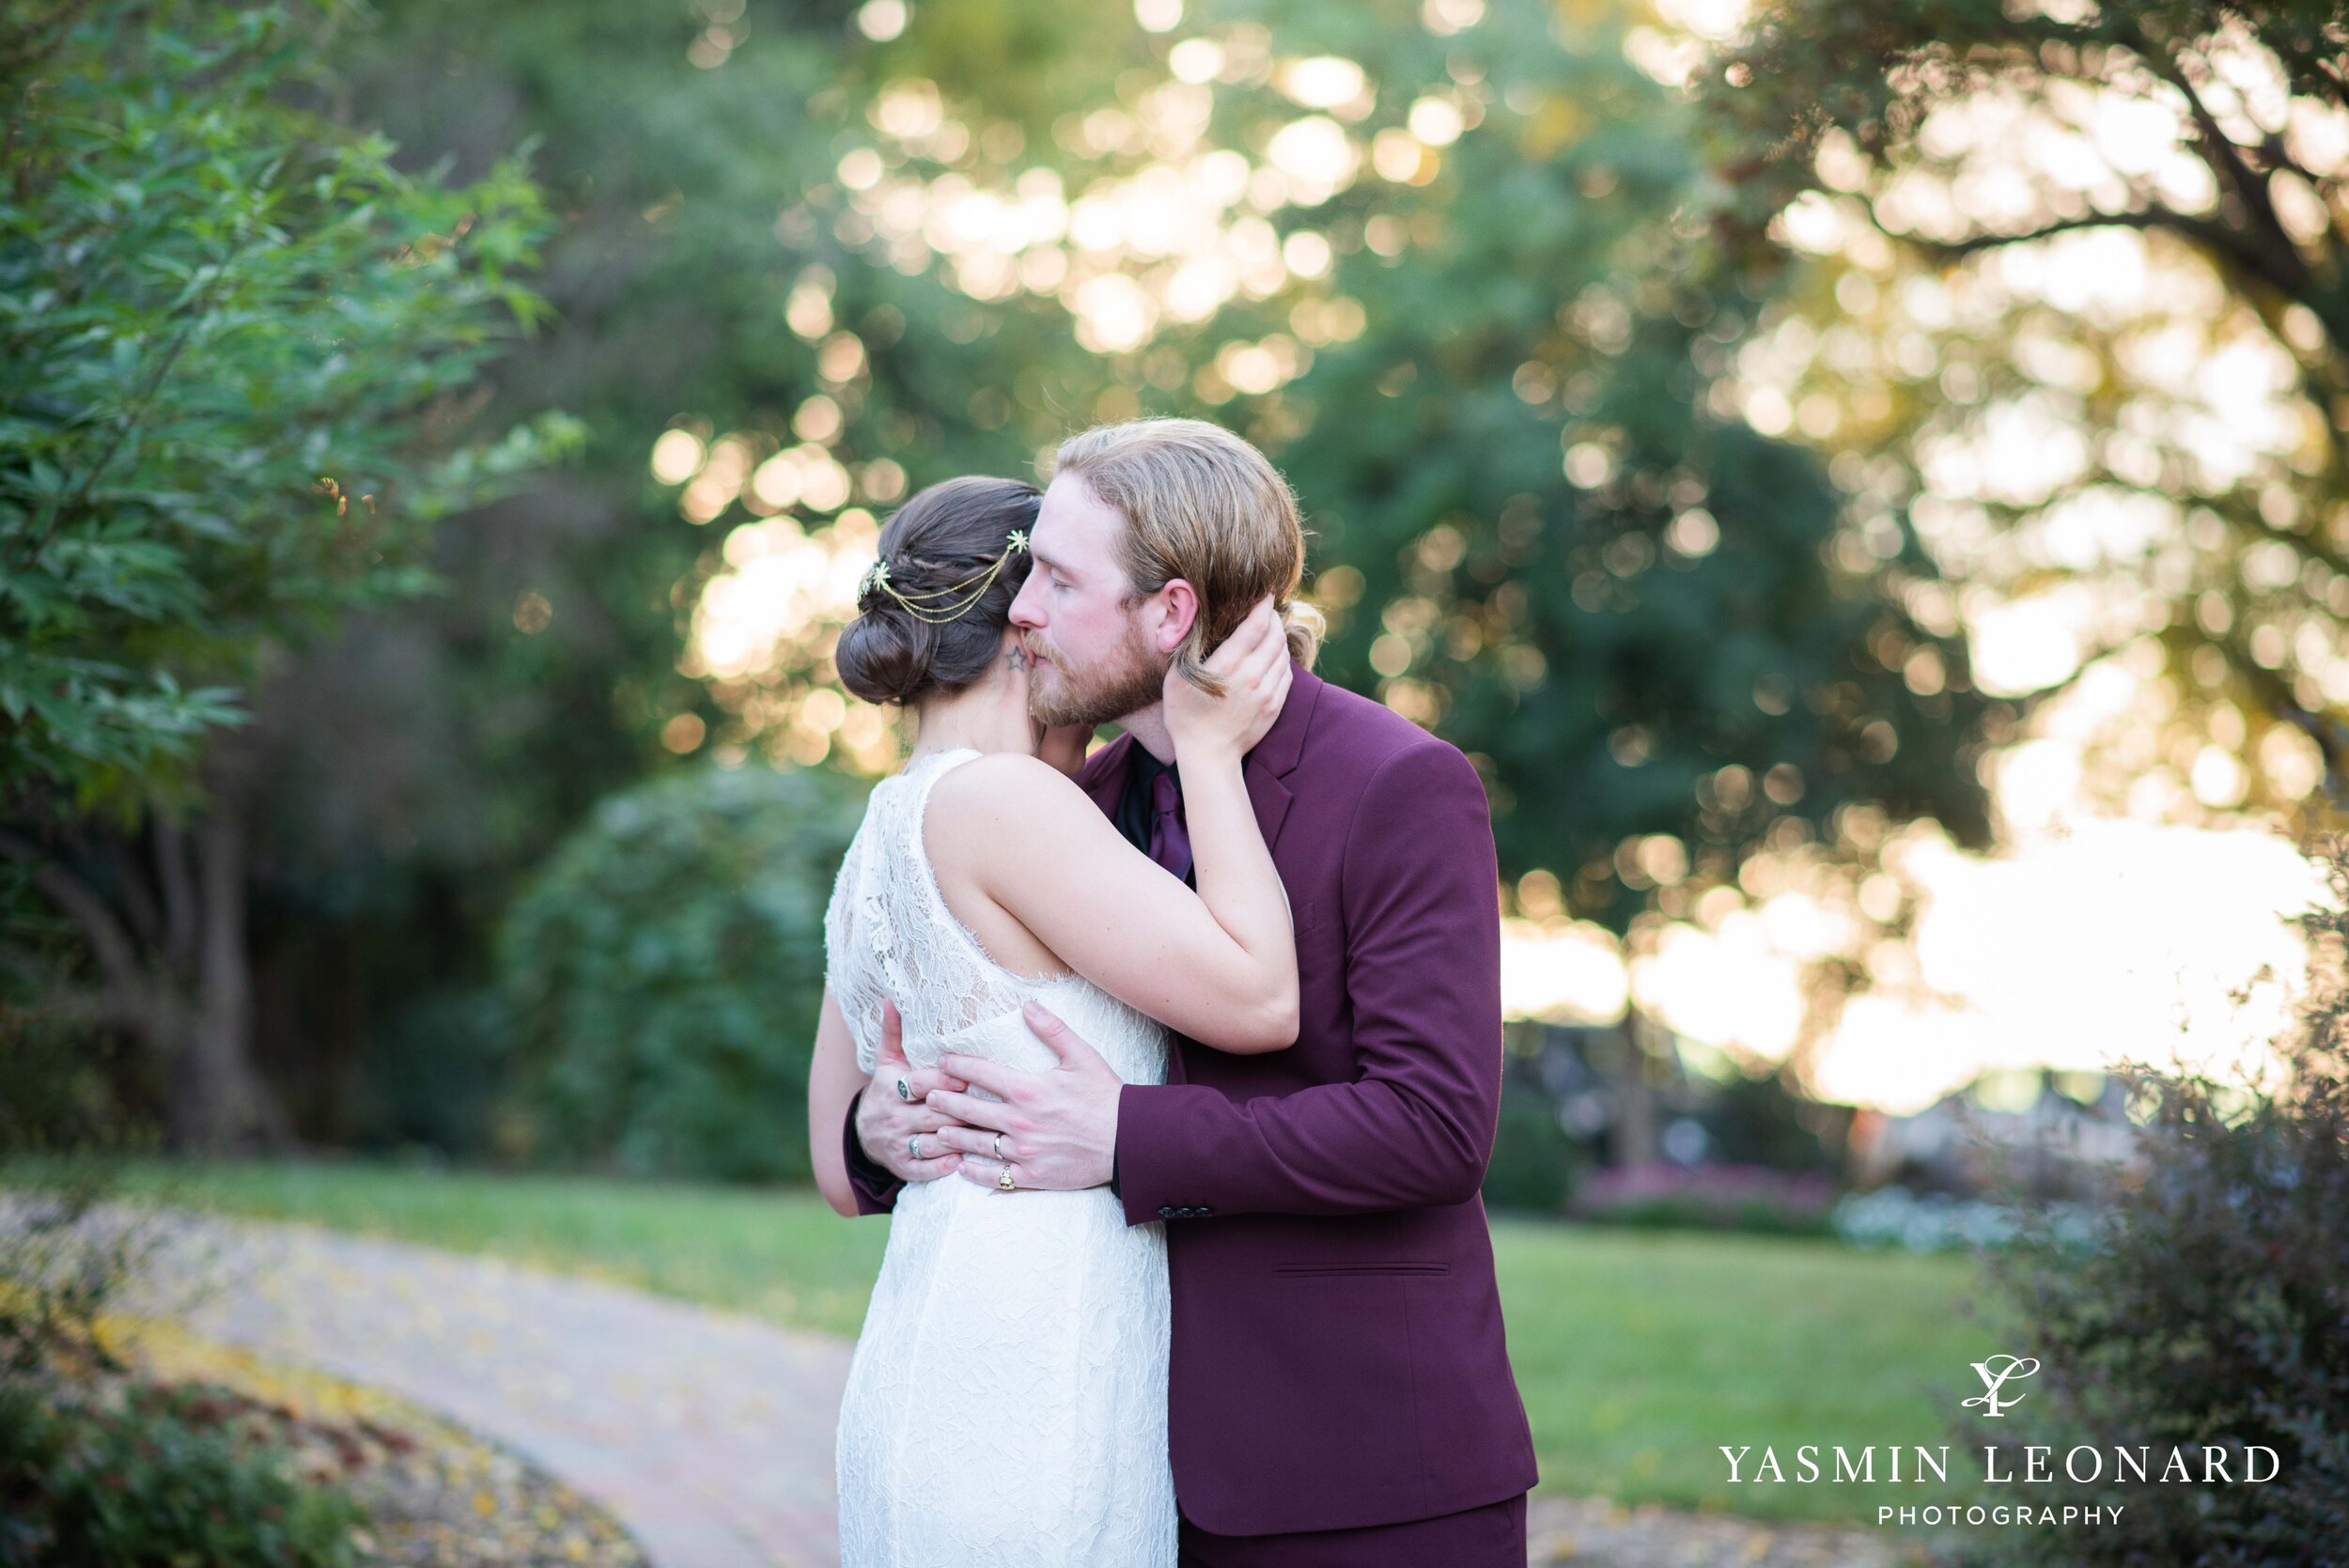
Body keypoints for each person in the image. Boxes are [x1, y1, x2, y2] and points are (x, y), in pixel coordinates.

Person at [845, 419, 1539, 1565]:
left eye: (1056, 582)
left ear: (1168, 614)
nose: (1017, 612)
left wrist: (1126, 1135)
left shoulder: (1400, 785)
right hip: (1121, 1461)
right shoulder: (1074, 800)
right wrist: (878, 1131)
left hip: (1363, 1468)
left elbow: (1434, 1128)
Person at [805, 473, 1302, 1567]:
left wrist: (878, 1129)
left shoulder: (882, 831)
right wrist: (1211, 754)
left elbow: (840, 1167)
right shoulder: (1008, 806)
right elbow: (1262, 999)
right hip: (1037, 1370)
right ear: (1020, 618)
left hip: (924, 1352)